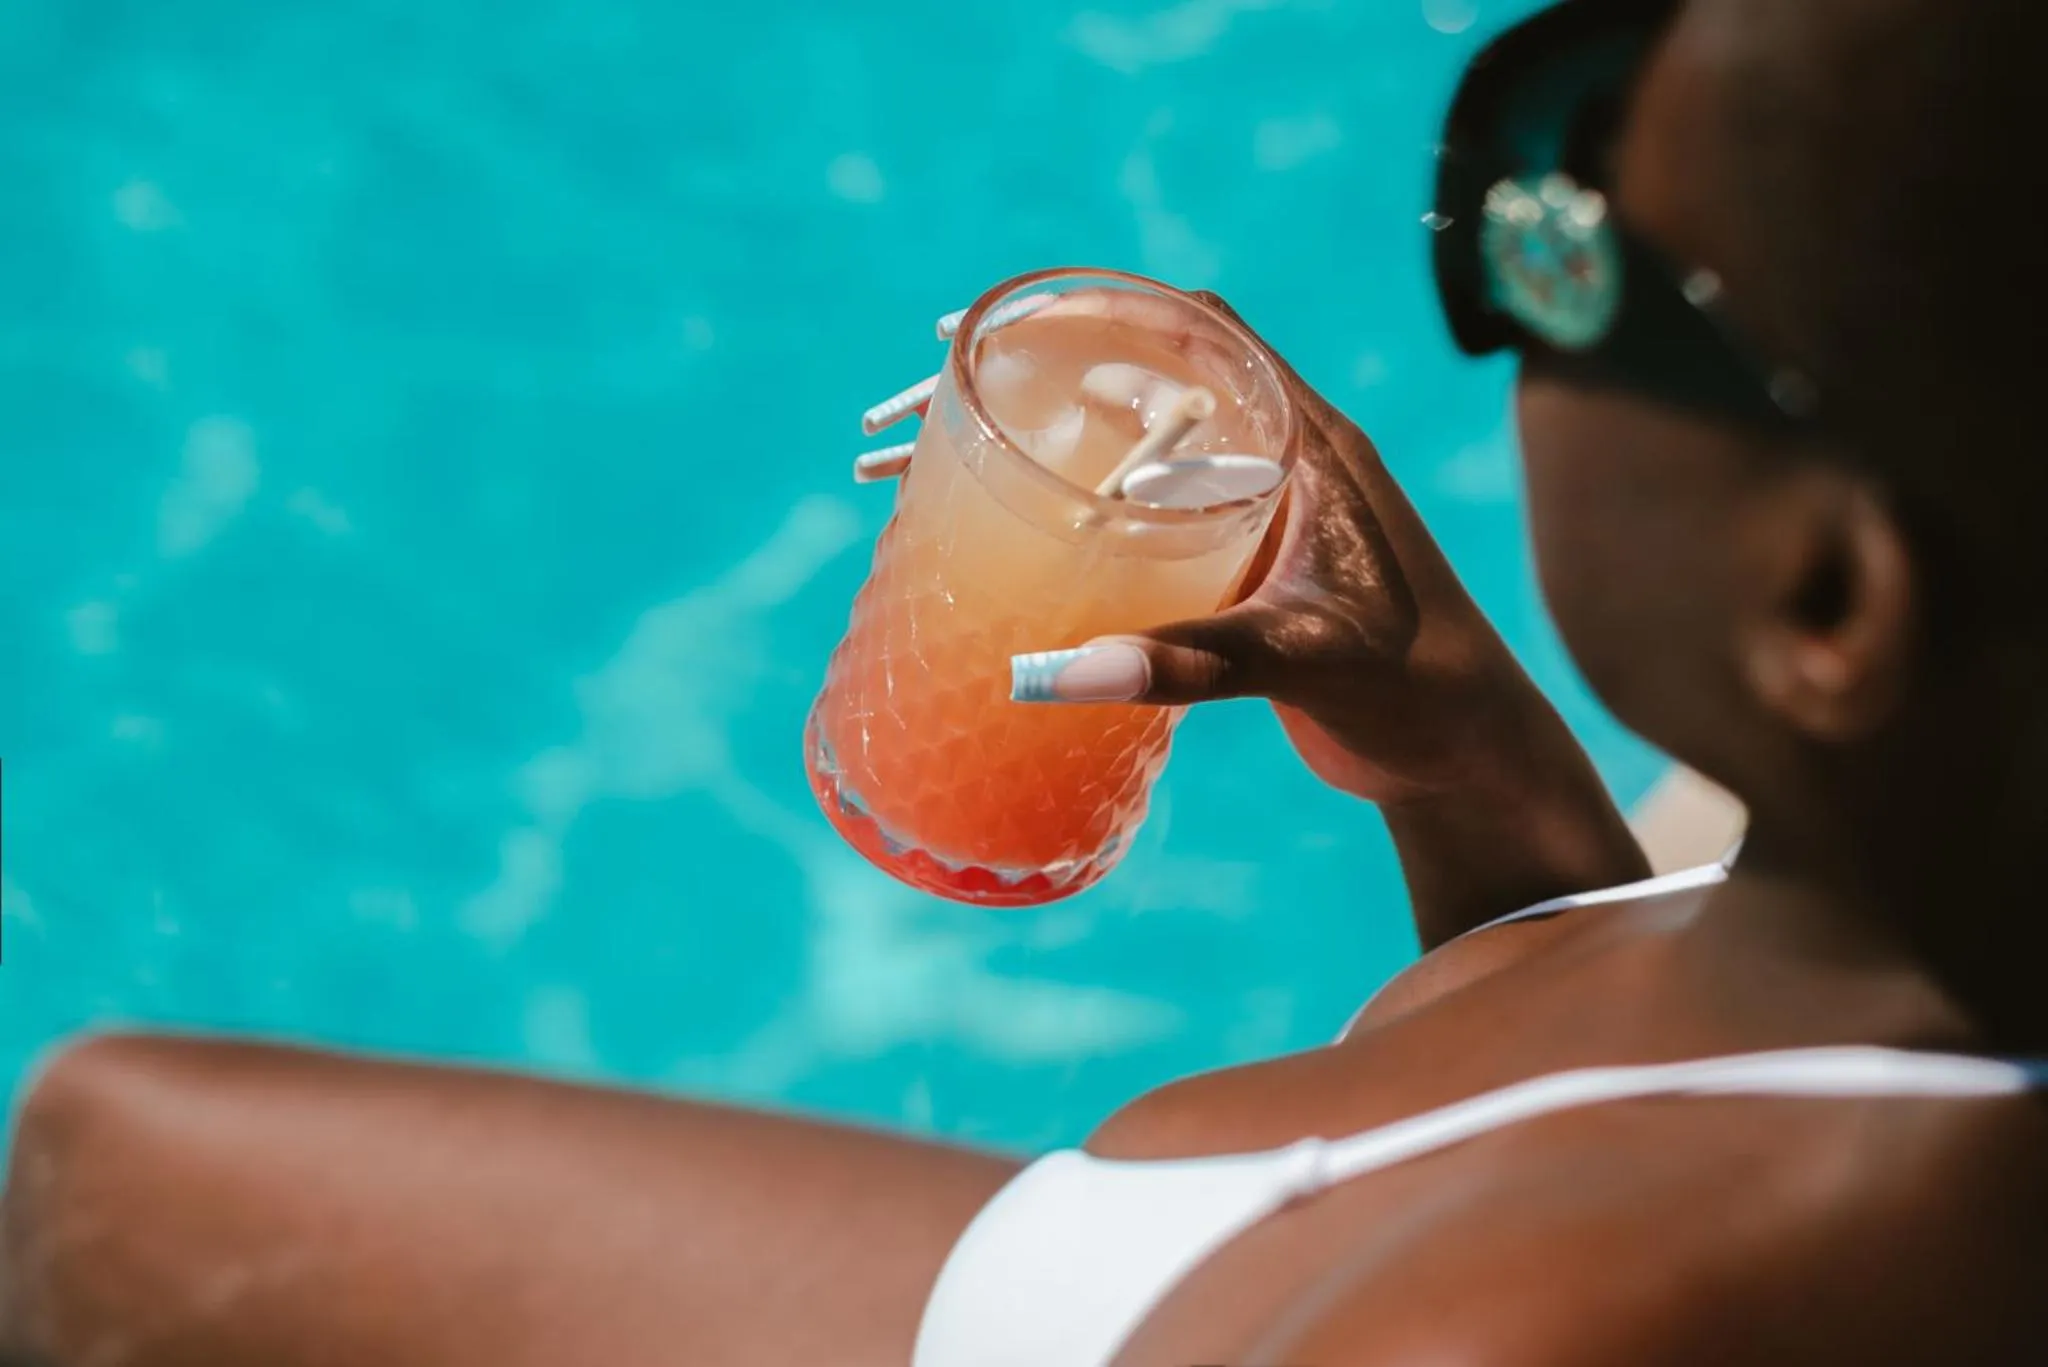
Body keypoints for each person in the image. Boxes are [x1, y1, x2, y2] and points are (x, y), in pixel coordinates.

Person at [5, 0, 2045, 1361]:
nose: (1514, 294)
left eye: (1565, 248)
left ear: (1829, 598)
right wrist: (1470, 753)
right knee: (120, 1142)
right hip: (1189, 1272)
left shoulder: (1544, 1328)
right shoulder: (1894, 914)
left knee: (102, 1154)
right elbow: (1615, 1051)